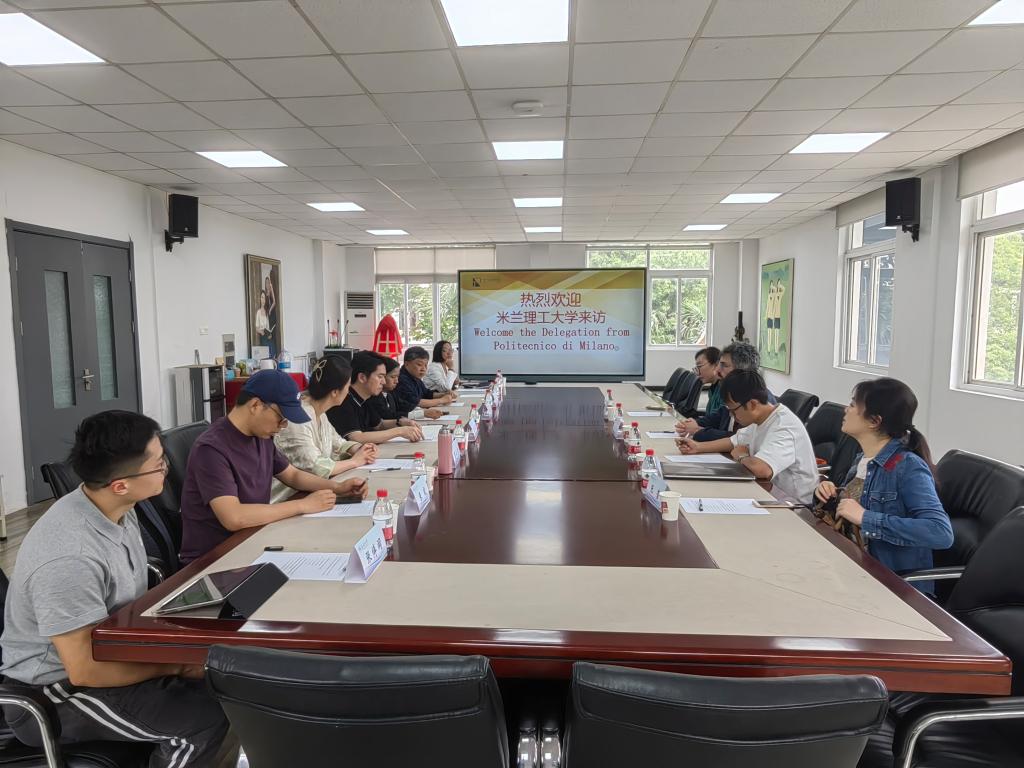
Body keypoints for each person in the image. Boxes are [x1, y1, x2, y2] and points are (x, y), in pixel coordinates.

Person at [0, 411, 230, 767]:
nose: (167, 468)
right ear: (120, 484)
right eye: (158, 464)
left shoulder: (117, 505)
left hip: (110, 650)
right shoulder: (69, 557)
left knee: (227, 679)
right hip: (55, 692)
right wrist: (177, 667)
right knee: (201, 721)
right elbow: (85, 670)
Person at [179, 369, 367, 563]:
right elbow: (234, 517)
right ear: (255, 405)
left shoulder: (261, 435)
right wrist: (303, 505)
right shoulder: (211, 449)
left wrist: (337, 487)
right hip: (216, 557)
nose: (283, 426)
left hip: (255, 537)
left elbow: (292, 475)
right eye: (281, 418)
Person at [814, 378, 952, 594]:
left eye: (853, 405)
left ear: (874, 421)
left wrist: (865, 517)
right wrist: (829, 491)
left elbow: (940, 532)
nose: (846, 409)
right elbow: (853, 506)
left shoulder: (907, 467)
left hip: (888, 586)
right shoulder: (864, 459)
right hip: (849, 567)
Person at [677, 369, 818, 505]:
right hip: (768, 491)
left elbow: (763, 469)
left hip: (794, 505)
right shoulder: (761, 418)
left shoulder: (784, 426)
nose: (732, 416)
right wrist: (698, 447)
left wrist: (742, 456)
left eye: (733, 410)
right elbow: (734, 441)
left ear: (752, 404)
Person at [270, 357, 379, 503]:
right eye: (347, 387)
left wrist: (360, 449)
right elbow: (314, 466)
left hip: (310, 493)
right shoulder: (300, 415)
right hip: (287, 498)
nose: (348, 391)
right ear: (335, 392)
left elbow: (338, 442)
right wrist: (355, 461)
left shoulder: (319, 412)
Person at [677, 341, 775, 442]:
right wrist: (694, 423)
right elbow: (718, 417)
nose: (717, 371)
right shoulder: (733, 393)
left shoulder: (758, 400)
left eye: (724, 365)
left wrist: (699, 431)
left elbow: (741, 439)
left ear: (741, 370)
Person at [327, 351, 424, 444]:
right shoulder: (343, 401)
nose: (384, 382)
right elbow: (356, 437)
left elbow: (379, 425)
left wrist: (400, 422)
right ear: (362, 377)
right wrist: (400, 431)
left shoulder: (366, 398)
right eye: (380, 377)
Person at [370, 355, 443, 423]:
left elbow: (404, 405)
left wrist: (423, 411)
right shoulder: (375, 396)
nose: (397, 381)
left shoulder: (390, 393)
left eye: (397, 377)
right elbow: (388, 416)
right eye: (393, 377)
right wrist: (422, 413)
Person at [395, 346, 457, 416]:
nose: (423, 369)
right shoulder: (401, 379)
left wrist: (443, 394)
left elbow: (427, 394)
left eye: (425, 365)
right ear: (406, 364)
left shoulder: (414, 376)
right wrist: (442, 400)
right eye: (419, 365)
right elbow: (417, 402)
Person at [674, 347, 721, 434]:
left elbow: (720, 423)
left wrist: (698, 429)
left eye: (699, 366)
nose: (697, 373)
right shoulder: (713, 388)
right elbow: (711, 419)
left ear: (715, 365)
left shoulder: (724, 391)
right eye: (696, 368)